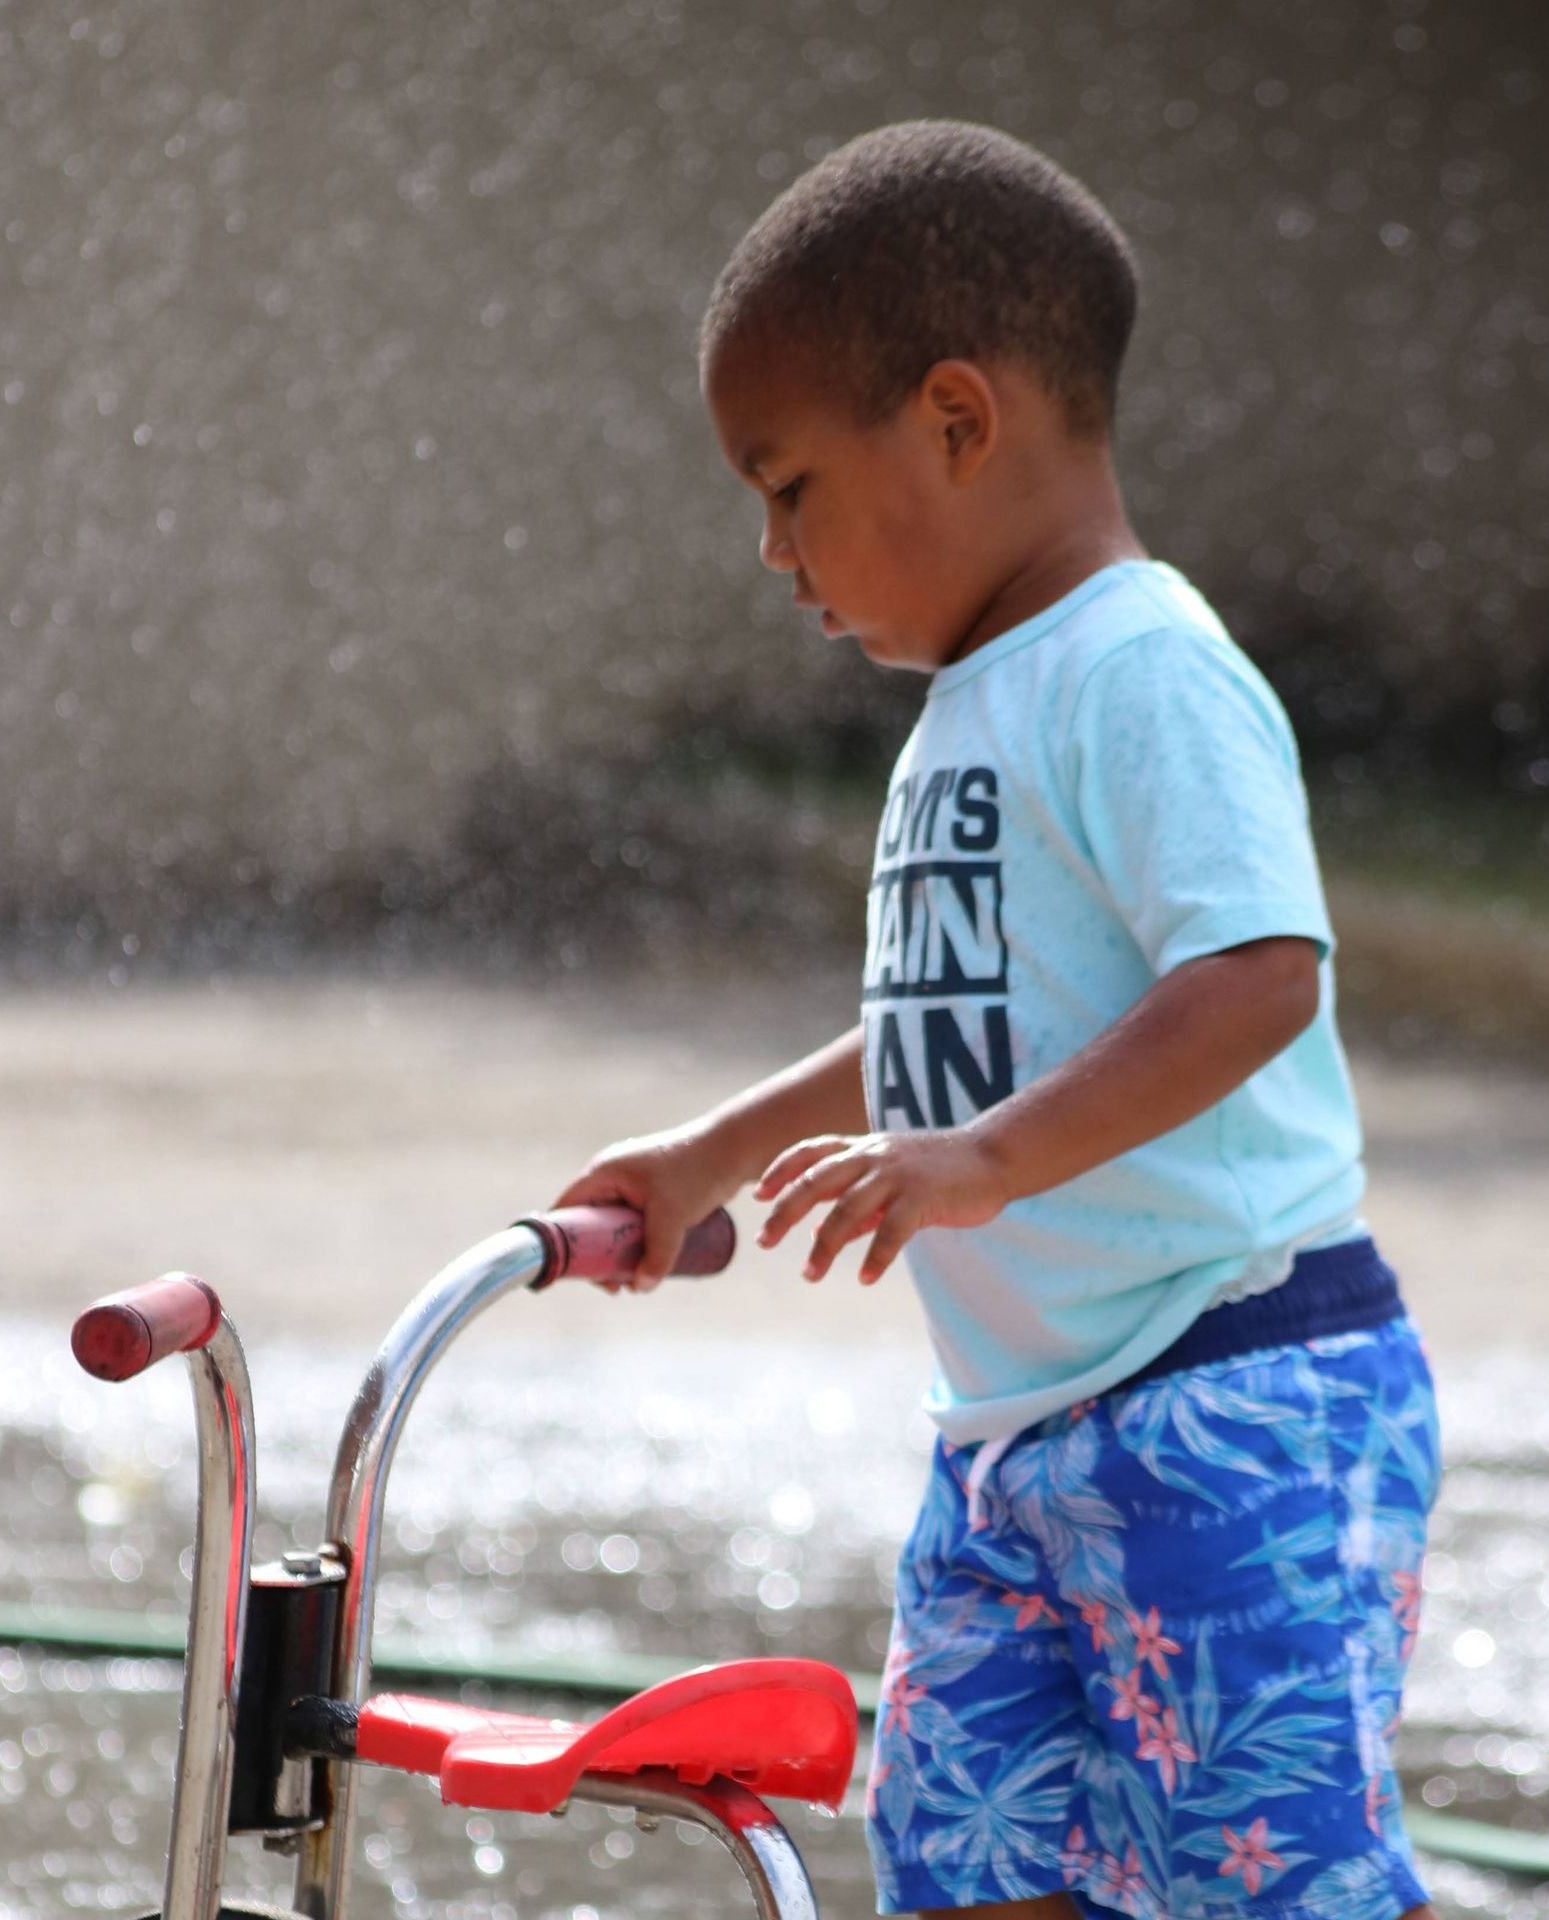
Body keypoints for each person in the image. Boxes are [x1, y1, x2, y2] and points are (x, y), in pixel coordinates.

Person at [556, 121, 1440, 1920]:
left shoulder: (1141, 667)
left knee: (1275, 1886)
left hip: (1230, 1391)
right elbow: (949, 1022)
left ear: (957, 422)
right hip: (1016, 1437)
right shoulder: (978, 700)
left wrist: (989, 1164)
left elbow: (1262, 975)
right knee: (964, 1868)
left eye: (788, 483)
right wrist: (716, 1151)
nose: (767, 545)